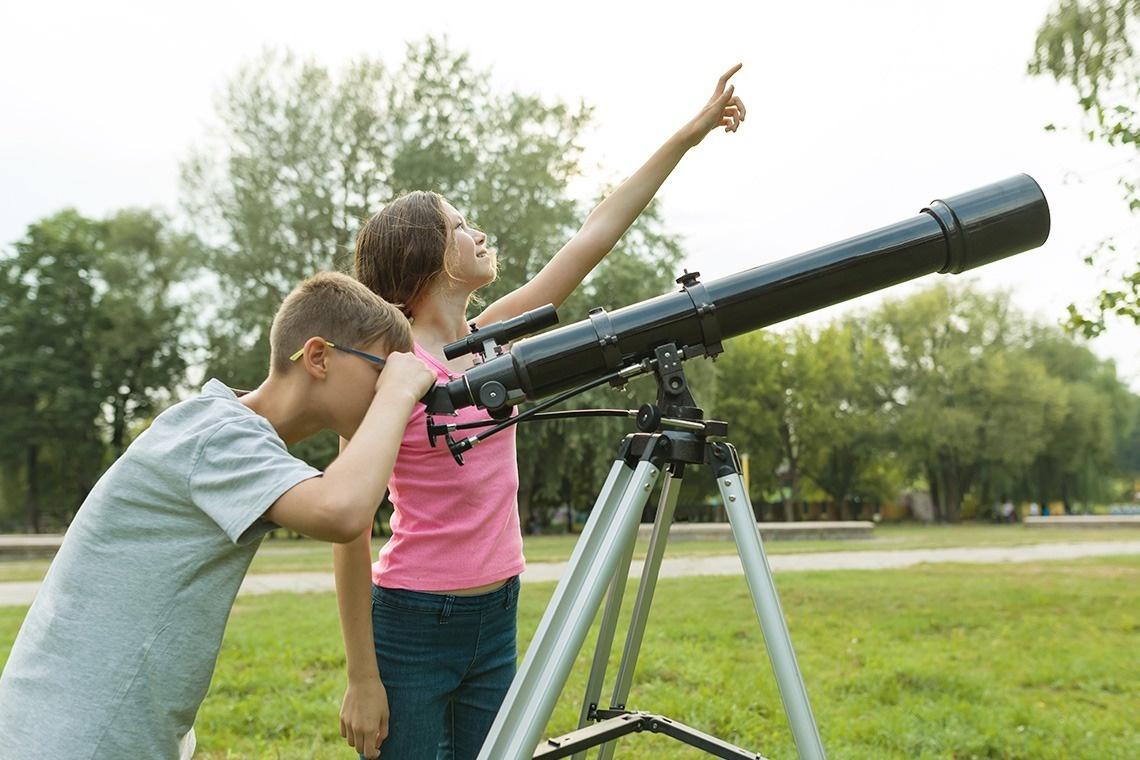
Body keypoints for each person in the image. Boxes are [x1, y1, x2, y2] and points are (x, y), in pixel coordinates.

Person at [334, 64, 746, 759]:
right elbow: (347, 529)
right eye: (459, 226)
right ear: (424, 257)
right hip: (412, 622)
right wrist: (361, 677)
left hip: (498, 611)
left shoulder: (493, 342)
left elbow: (594, 234)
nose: (478, 232)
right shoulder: (385, 377)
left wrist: (689, 134)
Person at [0, 271, 437, 760]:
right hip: (78, 737)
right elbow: (340, 512)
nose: (391, 388)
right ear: (318, 357)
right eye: (382, 370)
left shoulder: (221, 428)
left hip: (91, 728)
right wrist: (398, 394)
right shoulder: (214, 435)